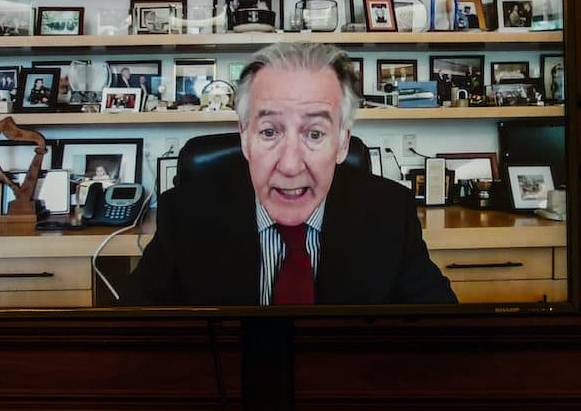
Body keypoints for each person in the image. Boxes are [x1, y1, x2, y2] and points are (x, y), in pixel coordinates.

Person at [121, 42, 456, 306]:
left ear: (342, 143)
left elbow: (445, 338)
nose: (291, 165)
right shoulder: (186, 215)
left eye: (314, 134)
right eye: (269, 132)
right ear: (245, 138)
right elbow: (134, 337)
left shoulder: (389, 212)